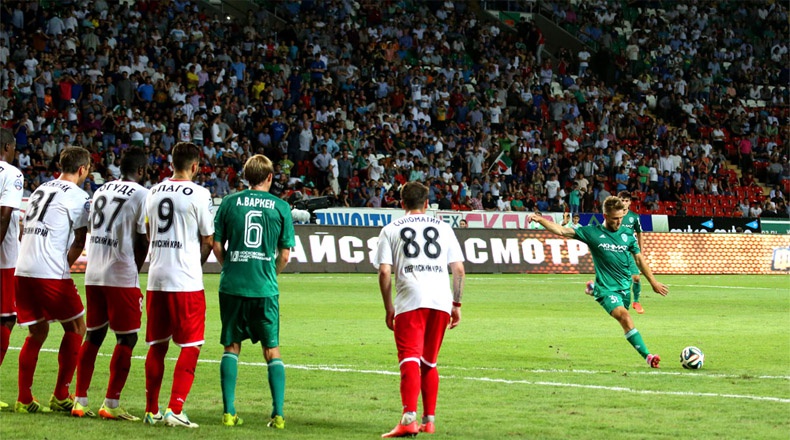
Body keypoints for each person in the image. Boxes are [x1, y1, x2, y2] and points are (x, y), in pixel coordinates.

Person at [527, 196, 668, 367]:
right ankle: (648, 356)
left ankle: (592, 290)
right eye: (615, 219)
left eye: (621, 218)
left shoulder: (627, 235)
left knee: (624, 310)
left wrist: (653, 282)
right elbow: (562, 231)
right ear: (605, 216)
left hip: (624, 287)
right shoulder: (592, 233)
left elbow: (639, 258)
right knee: (625, 317)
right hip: (608, 289)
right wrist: (541, 219)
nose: (618, 222)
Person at [373, 181, 466, 438]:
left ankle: (408, 419)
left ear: (401, 203)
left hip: (410, 300)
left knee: (409, 360)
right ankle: (429, 420)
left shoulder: (391, 229)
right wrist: (456, 305)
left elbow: (384, 271)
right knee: (429, 362)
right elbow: (458, 269)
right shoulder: (444, 228)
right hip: (440, 302)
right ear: (427, 204)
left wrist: (388, 306)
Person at [212, 154, 295, 428]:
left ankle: (228, 412)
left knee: (231, 346)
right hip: (264, 288)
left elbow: (216, 245)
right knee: (272, 350)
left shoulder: (228, 202)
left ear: (246, 176)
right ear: (269, 177)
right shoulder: (281, 207)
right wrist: (271, 273)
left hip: (233, 285)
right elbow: (284, 255)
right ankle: (279, 415)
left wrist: (230, 266)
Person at [72, 148, 150, 420]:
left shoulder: (101, 190)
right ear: (141, 171)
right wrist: (134, 272)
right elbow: (142, 240)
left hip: (94, 272)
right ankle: (111, 404)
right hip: (120, 273)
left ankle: (79, 401)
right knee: (127, 337)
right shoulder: (142, 194)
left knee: (93, 334)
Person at [14, 146, 92, 413]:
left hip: (22, 268)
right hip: (49, 271)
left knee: (39, 331)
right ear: (82, 169)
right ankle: (60, 394)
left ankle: (24, 399)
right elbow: (80, 239)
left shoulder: (40, 188)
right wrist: (64, 267)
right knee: (77, 328)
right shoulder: (79, 197)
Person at [144, 142, 214, 428]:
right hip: (185, 279)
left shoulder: (153, 191)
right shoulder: (199, 193)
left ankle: (151, 410)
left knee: (157, 345)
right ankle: (175, 408)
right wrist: (195, 264)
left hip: (156, 276)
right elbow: (208, 239)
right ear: (195, 166)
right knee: (192, 343)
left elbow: (148, 230)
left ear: (171, 163)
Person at [0, 128, 23, 409]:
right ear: (7, 146)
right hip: (3, 261)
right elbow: (4, 214)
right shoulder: (11, 173)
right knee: (6, 318)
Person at [617, 191, 645, 314]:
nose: (624, 203)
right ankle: (622, 304)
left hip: (630, 251)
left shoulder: (634, 217)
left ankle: (636, 301)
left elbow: (639, 233)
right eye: (622, 200)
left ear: (630, 202)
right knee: (622, 281)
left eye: (627, 201)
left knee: (636, 278)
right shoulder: (613, 215)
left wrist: (641, 250)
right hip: (617, 252)